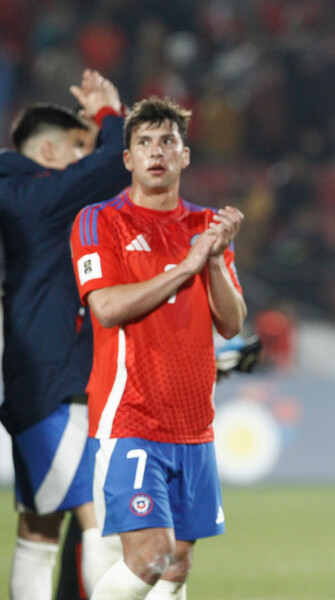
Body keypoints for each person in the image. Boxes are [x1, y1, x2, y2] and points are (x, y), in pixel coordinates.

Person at [69, 97, 246, 599]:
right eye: (143, 142)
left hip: (194, 426)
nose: (156, 152)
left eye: (167, 140)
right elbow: (105, 308)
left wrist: (211, 262)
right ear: (126, 159)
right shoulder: (99, 222)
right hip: (130, 419)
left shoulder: (205, 225)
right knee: (150, 558)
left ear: (185, 156)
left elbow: (231, 323)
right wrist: (187, 267)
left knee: (177, 566)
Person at [0, 69, 129, 599]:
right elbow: (118, 158)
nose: (85, 159)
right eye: (79, 149)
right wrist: (108, 114)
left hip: (32, 385)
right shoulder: (40, 198)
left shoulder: (18, 197)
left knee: (39, 529)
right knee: (100, 516)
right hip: (55, 386)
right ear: (51, 153)